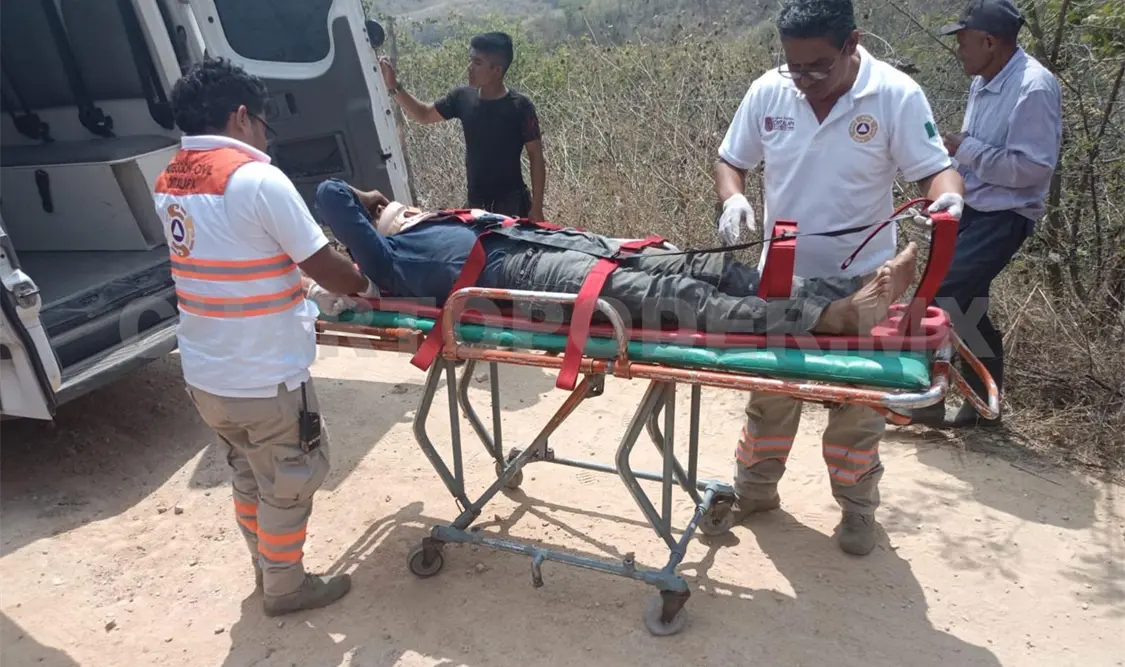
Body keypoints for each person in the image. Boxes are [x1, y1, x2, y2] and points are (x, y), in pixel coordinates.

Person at [712, 0, 966, 555]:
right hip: (782, 276)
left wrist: (948, 204)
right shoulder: (769, 91)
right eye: (794, 67)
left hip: (862, 284)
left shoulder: (894, 95)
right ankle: (754, 491)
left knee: (857, 403)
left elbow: (935, 172)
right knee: (771, 394)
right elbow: (732, 159)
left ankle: (857, 509)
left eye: (818, 68)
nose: (804, 81)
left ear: (852, 44)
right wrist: (732, 199)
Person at [154, 58, 379, 616]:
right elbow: (328, 267)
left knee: (249, 474)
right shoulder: (255, 178)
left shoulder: (171, 179)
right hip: (263, 374)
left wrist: (294, 286)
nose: (264, 135)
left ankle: (265, 567)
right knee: (292, 477)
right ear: (239, 116)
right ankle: (285, 586)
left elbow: (234, 257)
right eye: (262, 122)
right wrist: (369, 283)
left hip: (207, 375)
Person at [307, 179, 921, 341]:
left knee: (701, 269)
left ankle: (841, 288)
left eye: (406, 208)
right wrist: (370, 203)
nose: (408, 211)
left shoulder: (449, 221)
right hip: (523, 279)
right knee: (680, 302)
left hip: (564, 249)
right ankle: (829, 319)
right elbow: (330, 197)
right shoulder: (391, 264)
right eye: (398, 214)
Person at [912, 0, 1062, 428]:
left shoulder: (1034, 87)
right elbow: (972, 154)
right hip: (973, 207)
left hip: (1006, 214)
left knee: (943, 291)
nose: (959, 49)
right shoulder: (984, 78)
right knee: (965, 303)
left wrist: (966, 149)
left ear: (990, 42)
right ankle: (981, 404)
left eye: (963, 41)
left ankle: (930, 398)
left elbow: (1033, 168)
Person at [379, 32, 547, 221]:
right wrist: (393, 86)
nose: (469, 68)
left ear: (496, 70)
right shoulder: (462, 98)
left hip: (513, 205)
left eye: (477, 63)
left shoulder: (520, 106)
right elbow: (424, 114)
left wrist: (537, 208)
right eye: (470, 61)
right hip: (476, 205)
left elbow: (536, 157)